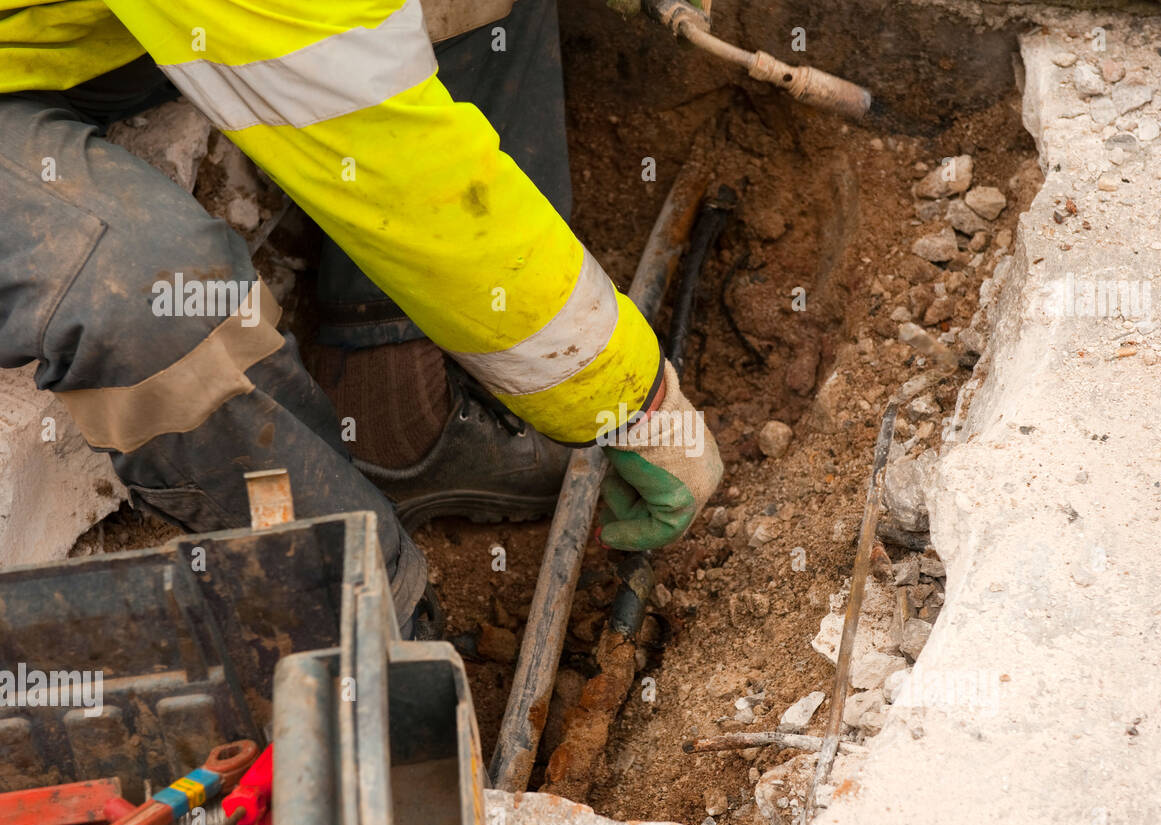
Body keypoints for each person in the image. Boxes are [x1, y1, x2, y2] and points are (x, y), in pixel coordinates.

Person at [0, 0, 723, 634]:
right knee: (150, 291)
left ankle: (398, 416)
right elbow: (399, 165)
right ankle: (371, 624)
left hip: (89, 32)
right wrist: (632, 400)